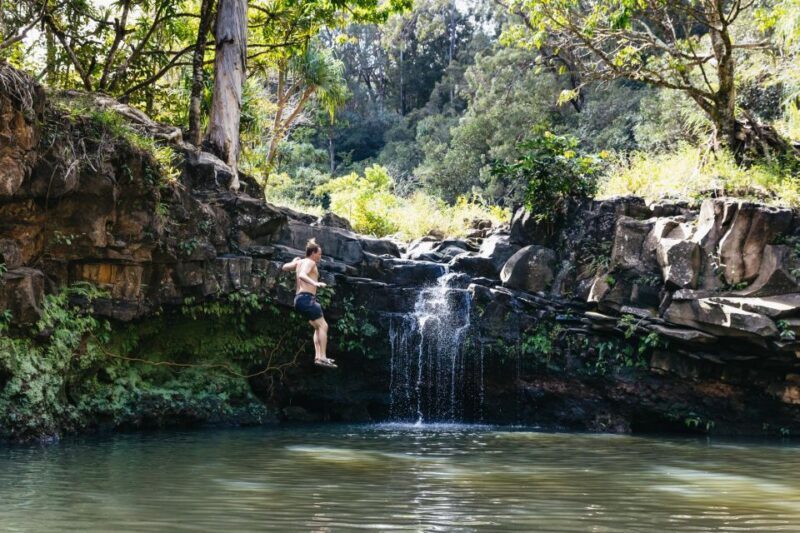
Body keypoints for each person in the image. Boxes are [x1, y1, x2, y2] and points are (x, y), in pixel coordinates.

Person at [282, 239, 337, 369]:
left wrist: (293, 262)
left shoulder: (300, 262)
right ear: (313, 253)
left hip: (299, 300)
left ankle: (318, 357)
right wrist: (315, 283)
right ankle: (322, 357)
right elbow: (302, 275)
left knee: (317, 326)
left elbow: (284, 267)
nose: (320, 256)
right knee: (323, 326)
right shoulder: (310, 262)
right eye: (319, 254)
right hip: (307, 298)